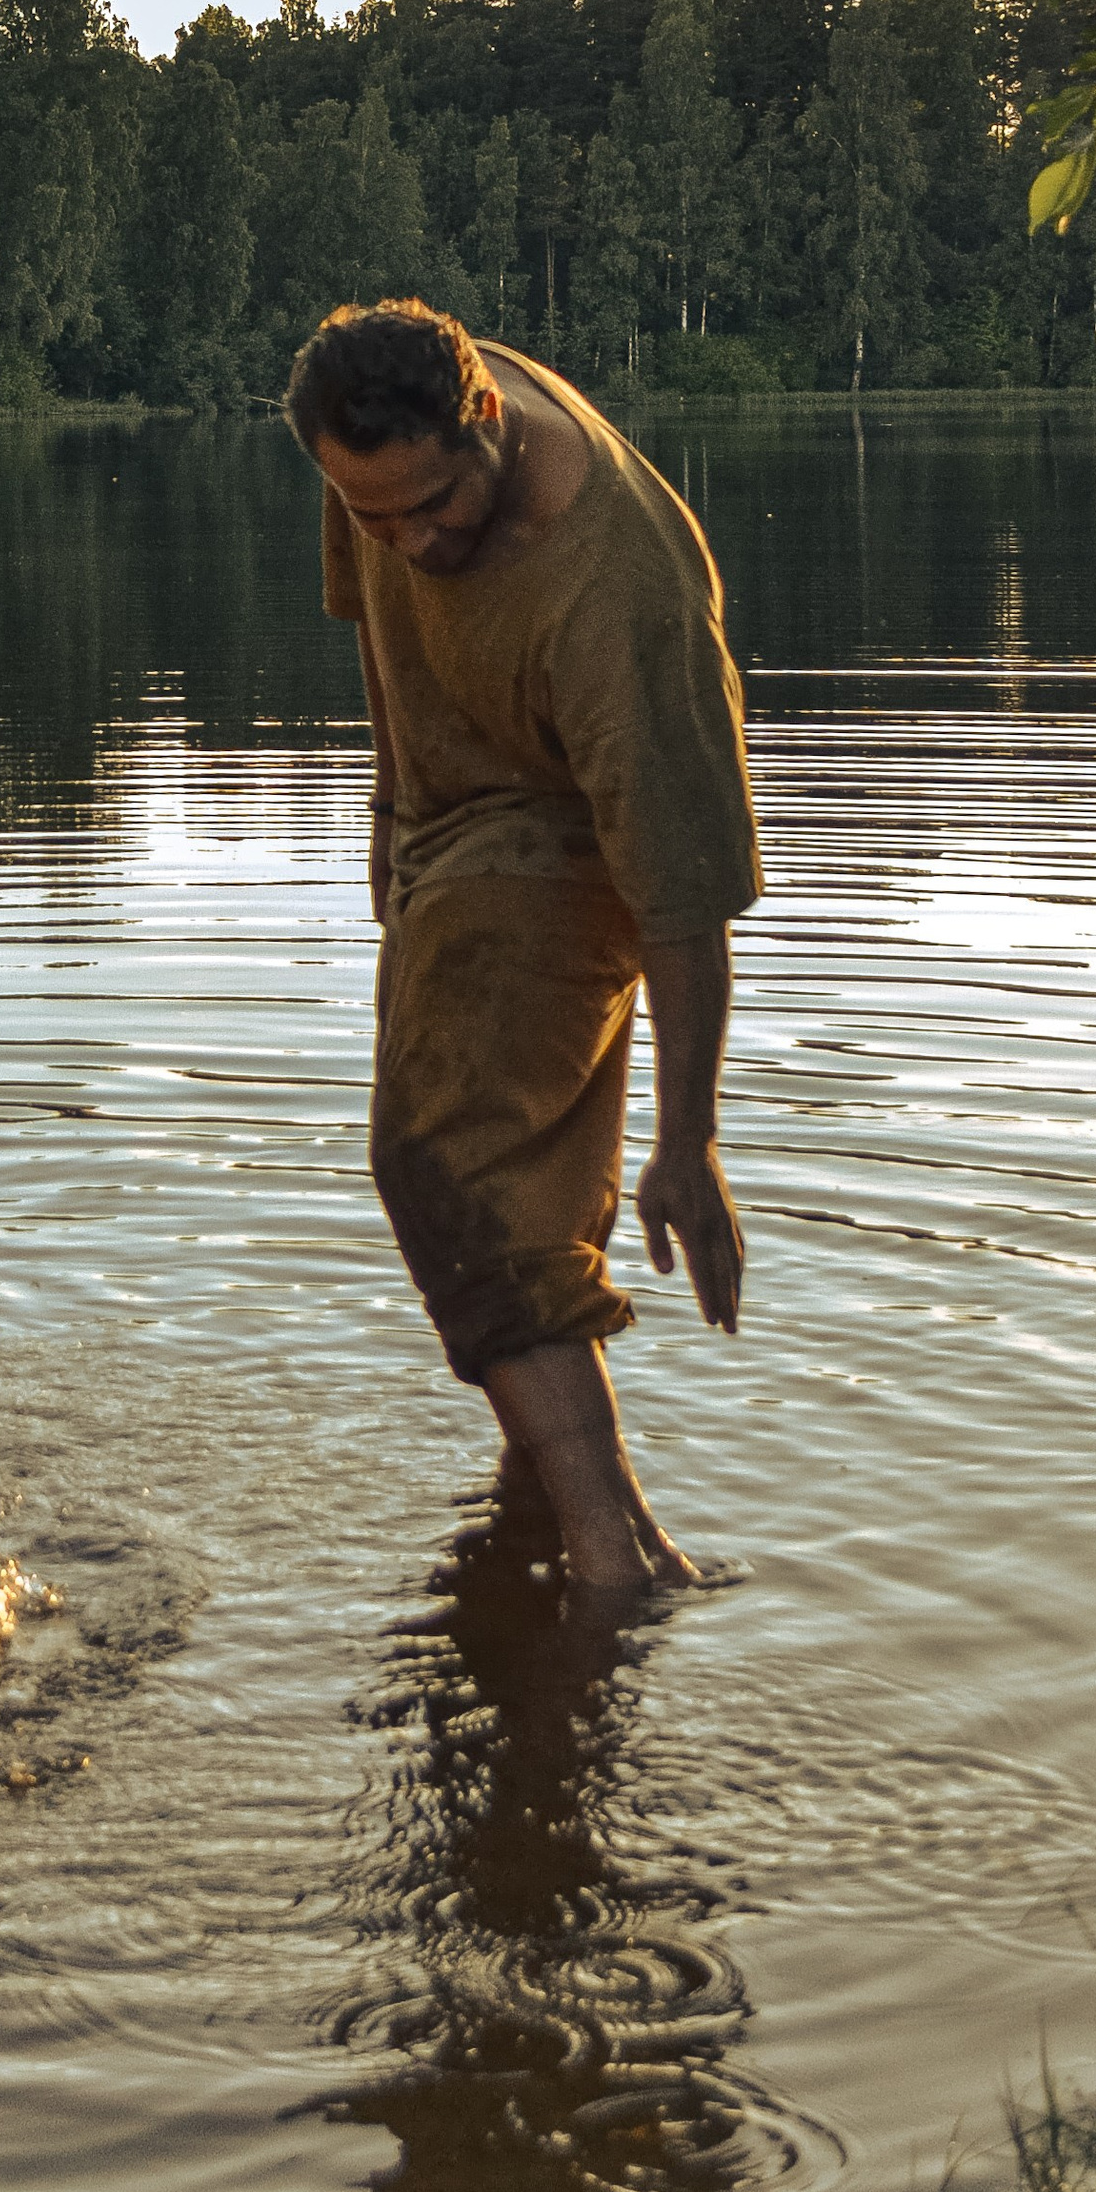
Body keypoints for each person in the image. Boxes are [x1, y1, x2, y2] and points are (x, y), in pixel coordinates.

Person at [287, 296, 762, 1597]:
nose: (409, 540)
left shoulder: (616, 591)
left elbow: (682, 891)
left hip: (579, 831)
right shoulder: (377, 447)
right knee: (511, 1186)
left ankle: (618, 1553)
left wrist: (688, 1138)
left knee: (437, 1152)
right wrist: (390, 815)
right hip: (450, 814)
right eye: (374, 512)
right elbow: (383, 634)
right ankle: (543, 1500)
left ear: (486, 420)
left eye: (432, 506)